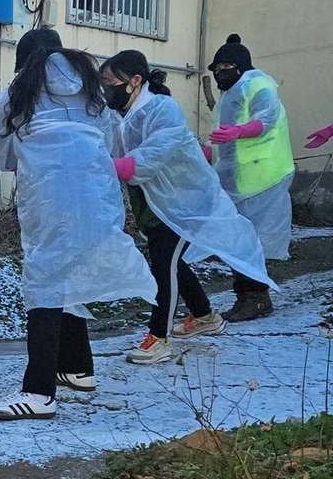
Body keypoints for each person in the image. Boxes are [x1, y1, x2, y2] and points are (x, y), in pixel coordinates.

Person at [0, 27, 155, 421]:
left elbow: (3, 156)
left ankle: (38, 392)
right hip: (98, 199)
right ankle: (78, 369)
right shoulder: (93, 94)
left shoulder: (15, 95)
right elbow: (111, 145)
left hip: (50, 199)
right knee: (69, 275)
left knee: (44, 283)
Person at [102, 50, 269, 365]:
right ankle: (205, 316)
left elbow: (149, 158)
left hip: (185, 201)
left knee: (163, 265)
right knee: (170, 261)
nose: (107, 89)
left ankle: (158, 338)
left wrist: (104, 166)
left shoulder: (162, 110)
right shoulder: (122, 115)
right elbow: (109, 147)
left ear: (135, 81)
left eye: (112, 83)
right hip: (153, 202)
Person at [207, 34, 294, 321]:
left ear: (241, 66)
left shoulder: (257, 84)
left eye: (227, 67)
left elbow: (266, 118)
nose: (221, 73)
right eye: (217, 69)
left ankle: (256, 298)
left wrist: (239, 131)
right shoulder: (229, 94)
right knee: (240, 241)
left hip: (262, 177)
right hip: (240, 180)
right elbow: (220, 133)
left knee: (251, 242)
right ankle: (248, 297)